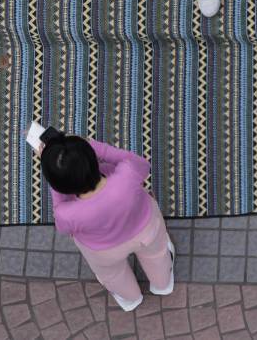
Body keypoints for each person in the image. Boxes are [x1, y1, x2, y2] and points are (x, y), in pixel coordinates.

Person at [35, 131, 174, 312]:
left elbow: (63, 228)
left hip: (103, 251)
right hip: (146, 231)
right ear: (93, 157)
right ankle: (162, 284)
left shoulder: (66, 213)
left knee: (113, 275)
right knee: (157, 256)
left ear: (58, 184)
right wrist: (96, 147)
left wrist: (57, 182)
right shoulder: (127, 173)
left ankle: (130, 298)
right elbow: (142, 165)